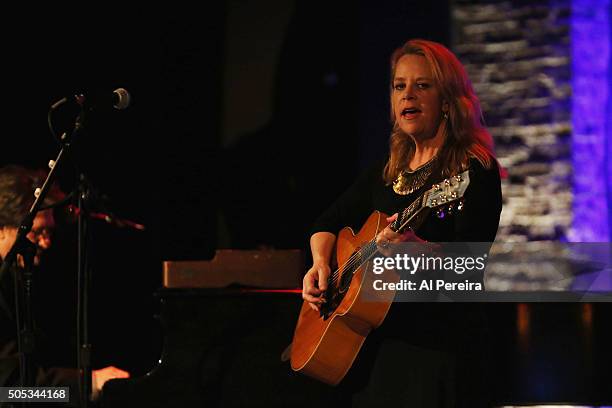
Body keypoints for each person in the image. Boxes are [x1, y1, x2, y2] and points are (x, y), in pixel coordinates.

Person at [302, 39, 502, 407]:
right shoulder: (387, 172)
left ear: (447, 100)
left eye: (422, 85)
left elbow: (470, 267)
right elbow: (326, 222)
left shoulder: (473, 170)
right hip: (373, 354)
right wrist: (318, 265)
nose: (408, 94)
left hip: (437, 350)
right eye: (399, 86)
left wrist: (418, 252)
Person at [0, 165, 129, 406]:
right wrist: (85, 385)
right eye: (38, 233)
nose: (46, 243)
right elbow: (7, 391)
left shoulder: (21, 279)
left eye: (49, 232)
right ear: (2, 230)